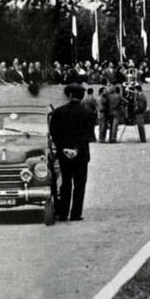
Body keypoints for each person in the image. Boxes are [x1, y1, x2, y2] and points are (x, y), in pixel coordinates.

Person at [49, 84, 96, 222]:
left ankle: (63, 213)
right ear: (82, 97)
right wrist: (76, 149)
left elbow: (54, 133)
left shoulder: (58, 112)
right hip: (81, 154)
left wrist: (64, 148)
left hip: (64, 154)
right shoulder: (88, 114)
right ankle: (76, 213)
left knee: (65, 183)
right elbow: (89, 136)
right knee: (80, 184)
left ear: (69, 95)